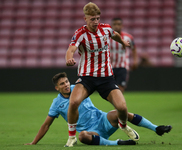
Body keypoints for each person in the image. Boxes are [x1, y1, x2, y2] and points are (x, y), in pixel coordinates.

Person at [24, 72, 172, 147]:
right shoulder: (56, 104)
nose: (66, 85)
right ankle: (118, 143)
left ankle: (156, 128)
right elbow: (46, 124)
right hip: (92, 132)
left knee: (120, 112)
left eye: (67, 81)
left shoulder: (80, 88)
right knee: (82, 137)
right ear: (57, 88)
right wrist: (33, 143)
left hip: (103, 119)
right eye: (62, 84)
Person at [65, 2, 137, 147]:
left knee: (122, 108)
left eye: (97, 18)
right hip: (87, 78)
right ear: (85, 19)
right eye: (92, 19)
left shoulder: (105, 29)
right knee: (73, 103)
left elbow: (114, 34)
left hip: (106, 78)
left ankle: (123, 126)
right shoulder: (80, 33)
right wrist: (69, 58)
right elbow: (71, 49)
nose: (96, 22)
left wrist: (122, 41)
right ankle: (71, 137)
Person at [110, 18, 138, 93]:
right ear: (111, 26)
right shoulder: (107, 37)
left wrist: (135, 61)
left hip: (123, 66)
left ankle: (119, 104)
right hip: (110, 66)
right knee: (110, 87)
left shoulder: (128, 37)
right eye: (114, 24)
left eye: (118, 24)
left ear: (122, 26)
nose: (116, 26)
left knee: (121, 87)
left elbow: (134, 48)